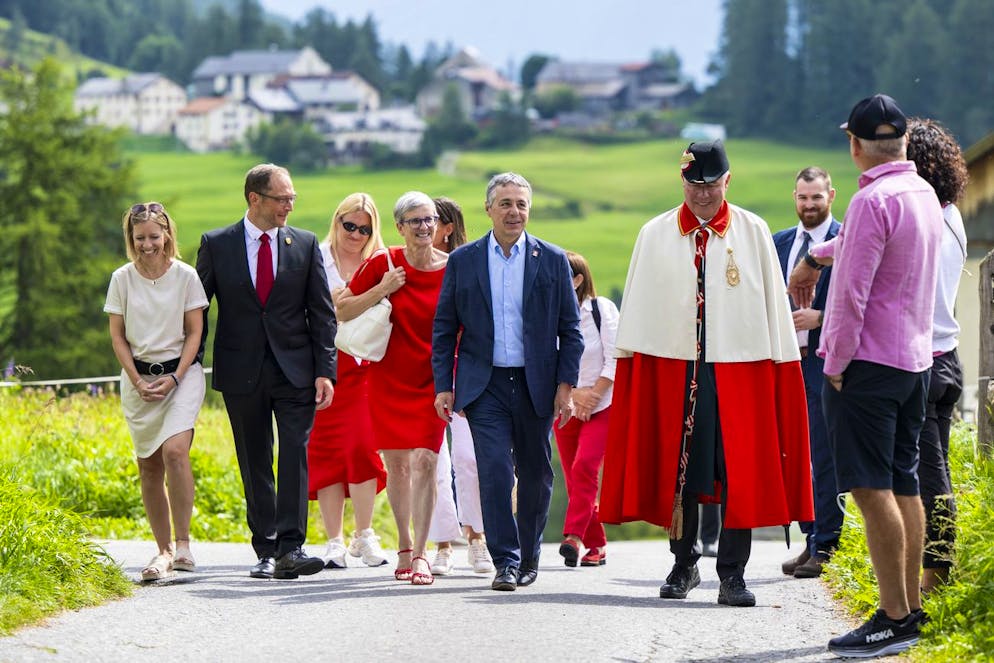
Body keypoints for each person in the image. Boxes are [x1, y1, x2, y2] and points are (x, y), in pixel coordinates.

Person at [600, 140, 813, 608]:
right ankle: (684, 562)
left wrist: (778, 365)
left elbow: (771, 310)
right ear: (682, 182)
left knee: (739, 468)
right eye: (695, 184)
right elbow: (641, 311)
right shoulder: (654, 234)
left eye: (712, 184)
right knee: (684, 470)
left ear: (727, 181)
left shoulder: (752, 230)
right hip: (675, 368)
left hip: (740, 368)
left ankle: (732, 573)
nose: (703, 194)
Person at [790, 95, 942, 658]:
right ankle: (910, 610)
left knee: (869, 489)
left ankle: (892, 617)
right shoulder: (920, 191)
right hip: (915, 361)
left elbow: (851, 297)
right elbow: (862, 249)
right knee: (904, 483)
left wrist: (833, 363)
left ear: (854, 146)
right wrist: (822, 253)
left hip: (868, 365)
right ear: (901, 141)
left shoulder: (871, 201)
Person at [433, 172, 583, 592]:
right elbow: (445, 326)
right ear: (489, 209)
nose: (514, 211)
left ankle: (530, 554)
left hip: (537, 383)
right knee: (495, 471)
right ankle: (506, 561)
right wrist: (444, 385)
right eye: (505, 203)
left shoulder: (551, 259)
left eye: (520, 204)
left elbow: (570, 330)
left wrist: (565, 387)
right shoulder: (464, 260)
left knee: (535, 473)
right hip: (485, 385)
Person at [196, 163, 336, 580]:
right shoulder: (217, 244)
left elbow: (323, 314)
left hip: (296, 371)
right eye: (282, 198)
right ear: (254, 198)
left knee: (294, 451)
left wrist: (325, 371)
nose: (289, 206)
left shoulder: (305, 244)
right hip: (242, 371)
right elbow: (197, 312)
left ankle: (292, 548)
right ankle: (266, 549)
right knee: (254, 458)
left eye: (292, 198)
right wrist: (187, 365)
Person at [338, 191, 449, 586]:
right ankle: (403, 544)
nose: (424, 227)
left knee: (427, 461)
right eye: (415, 220)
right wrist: (383, 288)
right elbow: (343, 309)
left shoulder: (453, 268)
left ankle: (421, 554)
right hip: (388, 376)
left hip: (434, 380)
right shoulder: (384, 263)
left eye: (430, 219)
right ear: (400, 227)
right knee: (398, 465)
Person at [105, 202, 208, 582]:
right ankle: (162, 550)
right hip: (139, 381)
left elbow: (194, 332)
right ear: (131, 240)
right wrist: (136, 379)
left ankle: (183, 545)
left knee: (176, 452)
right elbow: (117, 335)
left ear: (166, 234)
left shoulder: (185, 276)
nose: (147, 244)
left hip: (181, 375)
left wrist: (176, 377)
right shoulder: (122, 279)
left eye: (153, 236)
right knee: (148, 465)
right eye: (139, 238)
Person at [307, 193, 389, 570]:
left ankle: (365, 532)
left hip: (366, 363)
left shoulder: (380, 261)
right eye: (349, 225)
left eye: (364, 228)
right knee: (325, 450)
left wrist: (347, 301)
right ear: (336, 221)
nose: (356, 233)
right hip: (324, 363)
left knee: (362, 445)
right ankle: (334, 539)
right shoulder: (315, 256)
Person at [905, 117, 968, 596]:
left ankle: (936, 581)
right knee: (936, 466)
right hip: (950, 357)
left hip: (924, 361)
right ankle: (933, 573)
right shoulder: (952, 216)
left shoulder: (923, 219)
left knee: (930, 476)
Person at [774, 167, 843, 579]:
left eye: (816, 198)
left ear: (830, 196)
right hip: (784, 363)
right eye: (802, 198)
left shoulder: (845, 241)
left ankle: (829, 544)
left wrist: (821, 317)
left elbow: (860, 297)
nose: (809, 205)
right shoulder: (779, 242)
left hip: (824, 360)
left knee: (824, 454)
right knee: (794, 454)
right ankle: (810, 537)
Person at [427, 196, 493, 576]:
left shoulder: (471, 264)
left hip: (468, 373)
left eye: (430, 221)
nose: (423, 227)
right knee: (433, 462)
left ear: (447, 227)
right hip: (427, 373)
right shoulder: (411, 264)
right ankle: (441, 543)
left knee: (469, 460)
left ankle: (477, 536)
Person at [555, 251, 618, 568]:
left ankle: (574, 538)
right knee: (574, 478)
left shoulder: (600, 309)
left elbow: (616, 355)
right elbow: (547, 362)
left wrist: (593, 395)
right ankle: (597, 544)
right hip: (566, 405)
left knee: (585, 467)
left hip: (603, 403)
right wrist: (576, 395)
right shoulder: (547, 315)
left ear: (577, 280)